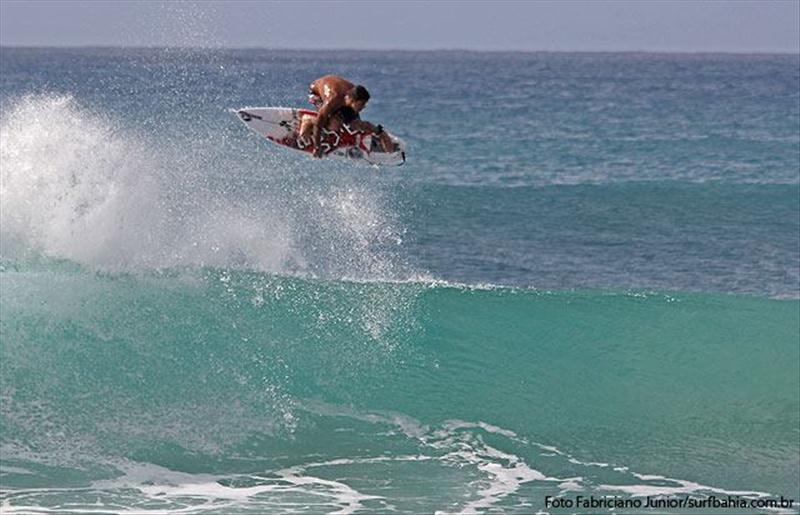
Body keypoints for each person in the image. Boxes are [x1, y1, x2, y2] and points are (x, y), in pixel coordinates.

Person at [298, 75, 396, 157]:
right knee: (334, 126)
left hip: (343, 96)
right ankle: (308, 120)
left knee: (356, 125)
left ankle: (382, 134)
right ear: (353, 101)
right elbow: (319, 123)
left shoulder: (352, 97)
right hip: (316, 93)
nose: (364, 107)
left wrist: (379, 133)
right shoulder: (333, 99)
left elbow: (356, 122)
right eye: (361, 104)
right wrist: (317, 146)